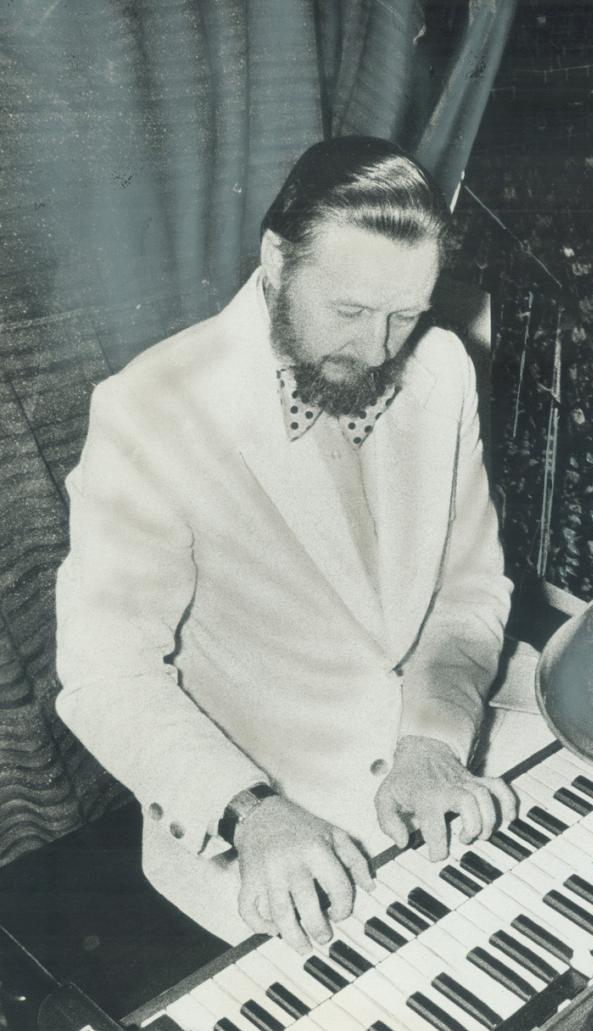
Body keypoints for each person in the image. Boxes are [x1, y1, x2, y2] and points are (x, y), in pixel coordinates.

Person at [56, 136, 518, 951]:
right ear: (276, 259)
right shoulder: (149, 410)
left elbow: (468, 591)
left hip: (431, 774)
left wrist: (432, 741)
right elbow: (106, 675)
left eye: (404, 315)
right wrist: (250, 814)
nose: (379, 351)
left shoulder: (441, 367)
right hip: (263, 843)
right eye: (348, 312)